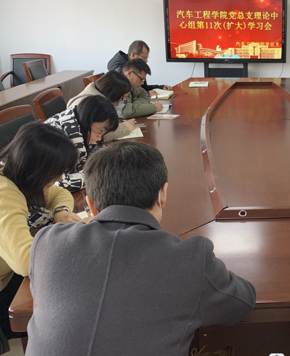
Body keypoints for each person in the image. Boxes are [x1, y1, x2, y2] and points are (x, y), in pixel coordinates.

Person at [26, 142, 256, 356]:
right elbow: (242, 303)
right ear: (163, 194)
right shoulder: (190, 259)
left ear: (91, 205)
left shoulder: (47, 243)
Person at [0, 122, 80, 341]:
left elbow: (59, 193)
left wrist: (60, 212)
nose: (60, 178)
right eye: (57, 172)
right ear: (38, 169)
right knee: (69, 309)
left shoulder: (7, 172)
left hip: (3, 275)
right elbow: (26, 262)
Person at [45, 95, 119, 192]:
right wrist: (99, 173)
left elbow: (98, 154)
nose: (100, 138)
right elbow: (60, 182)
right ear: (88, 120)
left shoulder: (80, 123)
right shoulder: (57, 136)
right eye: (100, 131)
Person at [67, 71, 136, 141]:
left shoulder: (96, 96)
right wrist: (126, 127)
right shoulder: (88, 104)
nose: (120, 102)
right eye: (122, 98)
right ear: (114, 94)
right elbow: (98, 136)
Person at [107, 40, 171, 93]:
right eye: (144, 58)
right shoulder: (118, 69)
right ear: (133, 55)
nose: (146, 61)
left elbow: (142, 88)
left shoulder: (136, 65)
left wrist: (160, 87)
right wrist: (147, 94)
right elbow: (130, 93)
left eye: (147, 58)